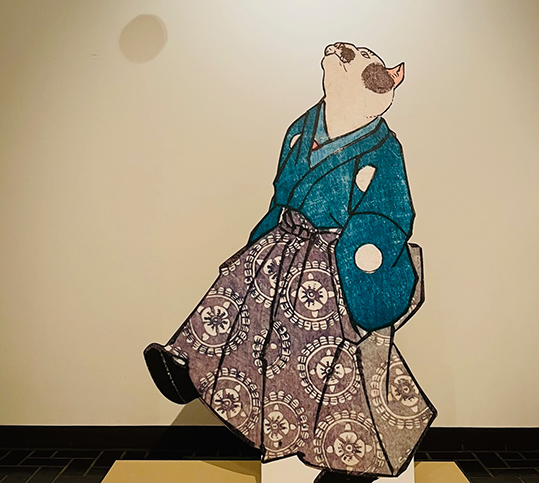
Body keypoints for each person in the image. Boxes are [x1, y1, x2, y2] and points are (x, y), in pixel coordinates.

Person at [145, 43, 436, 481]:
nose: (340, 55)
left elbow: (391, 212)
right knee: (236, 292)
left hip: (339, 258)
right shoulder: (303, 127)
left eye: (354, 58)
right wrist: (261, 239)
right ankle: (188, 365)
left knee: (329, 354)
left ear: (374, 84)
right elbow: (281, 191)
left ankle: (353, 458)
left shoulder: (383, 147)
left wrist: (364, 253)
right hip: (285, 240)